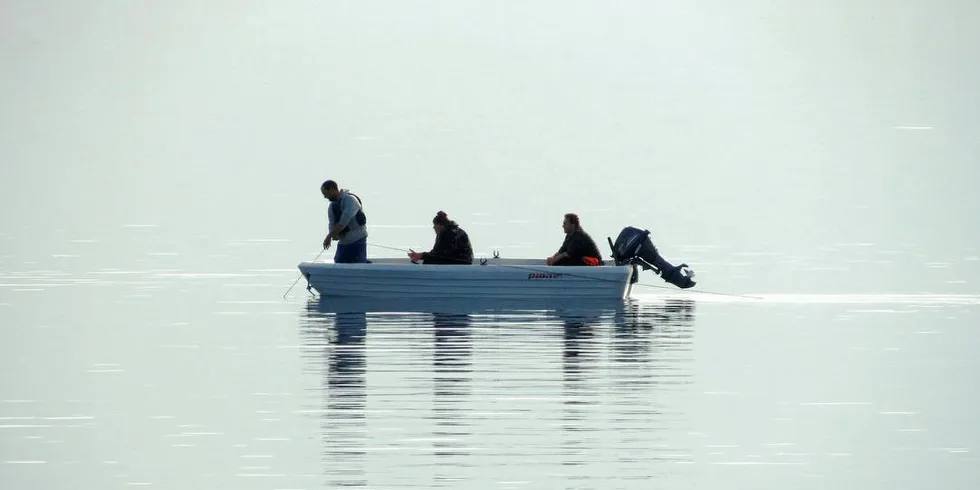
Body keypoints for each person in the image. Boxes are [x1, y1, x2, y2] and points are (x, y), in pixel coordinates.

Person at [321, 179, 368, 263]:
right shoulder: (332, 207)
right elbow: (331, 223)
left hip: (358, 239)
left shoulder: (350, 200)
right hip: (344, 242)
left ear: (332, 189)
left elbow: (343, 222)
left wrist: (329, 237)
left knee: (358, 263)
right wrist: (333, 235)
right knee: (339, 262)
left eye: (326, 193)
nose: (325, 197)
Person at [407, 211, 474, 265]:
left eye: (435, 225)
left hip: (461, 263)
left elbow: (441, 255)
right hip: (454, 260)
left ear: (442, 225)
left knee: (428, 262)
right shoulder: (444, 233)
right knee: (426, 261)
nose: (434, 227)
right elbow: (436, 253)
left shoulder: (452, 234)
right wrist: (420, 255)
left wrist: (422, 256)